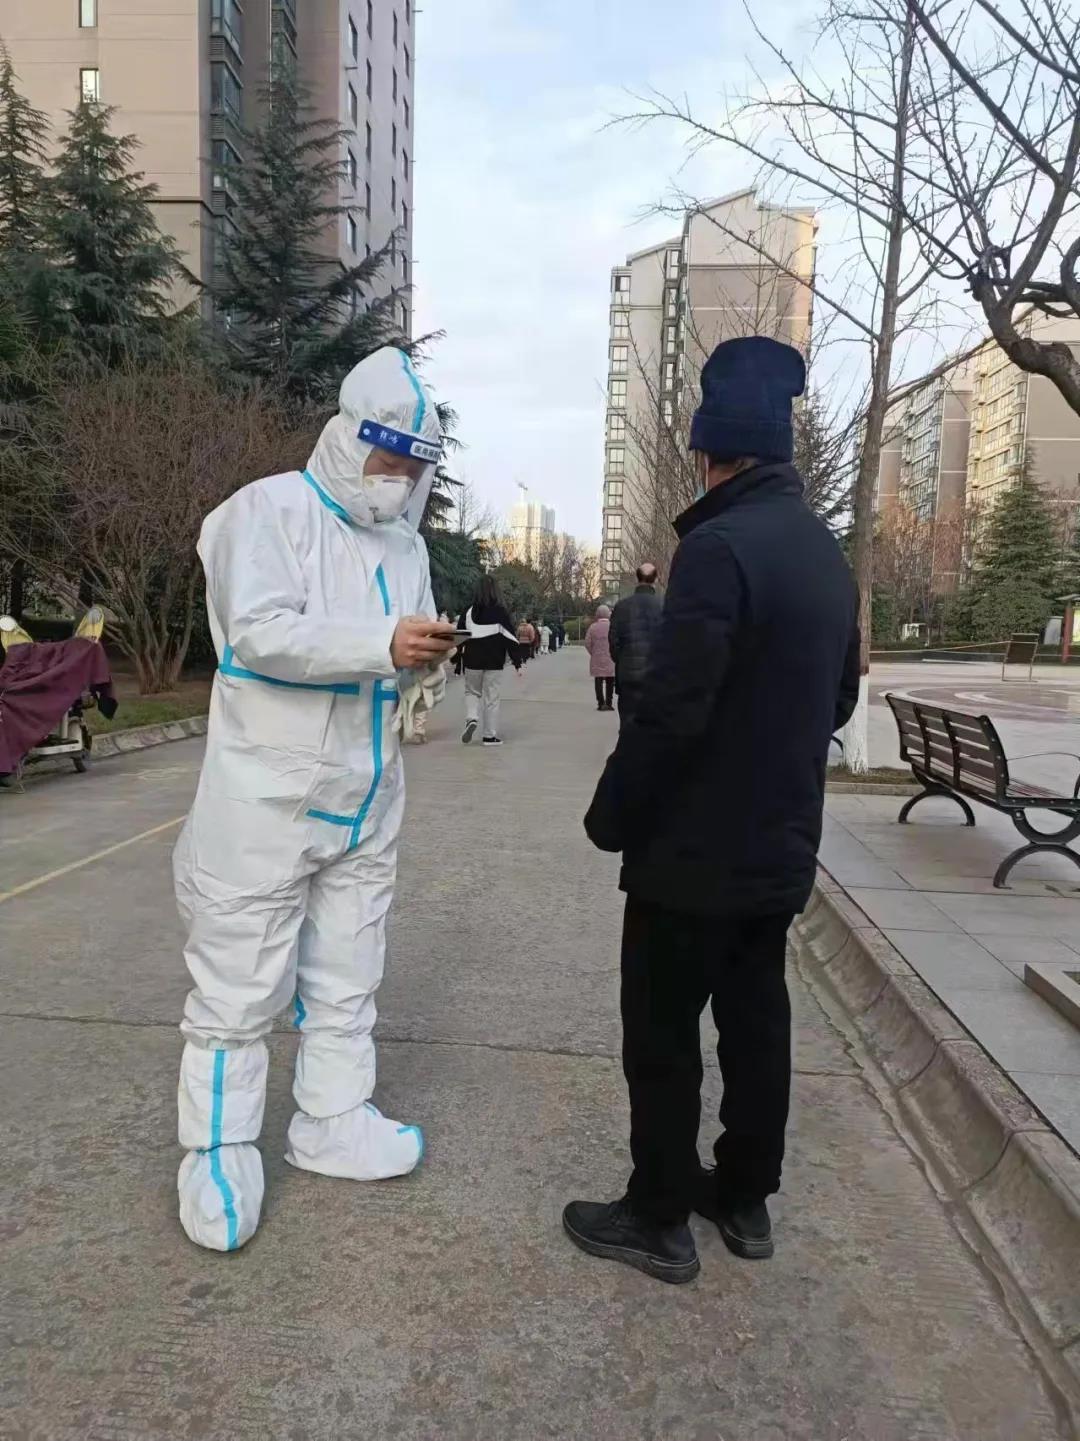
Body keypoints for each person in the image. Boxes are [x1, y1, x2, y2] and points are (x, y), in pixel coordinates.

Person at [565, 335, 860, 1285]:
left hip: (691, 856)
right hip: (781, 845)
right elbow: (840, 698)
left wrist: (613, 812)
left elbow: (673, 709)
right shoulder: (825, 556)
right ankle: (743, 1196)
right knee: (756, 1020)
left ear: (707, 450)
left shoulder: (716, 549)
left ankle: (658, 1213)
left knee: (661, 1033)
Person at [173, 347, 457, 1252]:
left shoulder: (405, 546)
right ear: (347, 436)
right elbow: (258, 634)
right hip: (268, 796)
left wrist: (423, 667)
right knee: (239, 978)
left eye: (412, 465)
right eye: (387, 456)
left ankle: (333, 1117)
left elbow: (403, 642)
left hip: (366, 796)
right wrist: (382, 643)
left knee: (349, 966)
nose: (396, 477)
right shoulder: (266, 512)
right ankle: (217, 1150)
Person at [457, 576, 521, 746]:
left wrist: (456, 659)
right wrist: (518, 663)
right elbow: (510, 638)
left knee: (472, 692)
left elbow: (459, 637)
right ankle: (489, 736)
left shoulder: (468, 612)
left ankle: (472, 717)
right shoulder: (501, 612)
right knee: (491, 698)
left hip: (472, 661)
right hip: (494, 662)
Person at [609, 563, 663, 726]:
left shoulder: (621, 607)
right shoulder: (664, 606)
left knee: (627, 723)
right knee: (652, 726)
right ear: (656, 579)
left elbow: (613, 642)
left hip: (628, 675)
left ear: (637, 577)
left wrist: (622, 660)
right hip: (655, 675)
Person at [584, 605, 616, 711]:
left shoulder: (593, 627)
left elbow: (587, 643)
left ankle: (600, 703)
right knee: (610, 681)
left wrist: (593, 652)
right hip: (611, 657)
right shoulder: (613, 626)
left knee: (598, 680)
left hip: (597, 658)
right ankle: (609, 703)